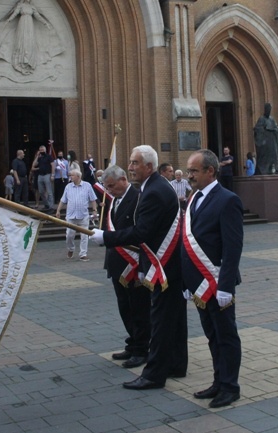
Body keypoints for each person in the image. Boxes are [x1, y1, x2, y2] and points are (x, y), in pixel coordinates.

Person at [90, 145, 187, 390]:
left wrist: (106, 237)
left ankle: (154, 375)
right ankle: (176, 363)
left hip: (164, 266)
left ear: (149, 167)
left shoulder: (153, 191)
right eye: (131, 162)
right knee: (174, 320)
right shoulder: (155, 186)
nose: (131, 167)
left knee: (162, 320)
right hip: (169, 265)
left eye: (134, 163)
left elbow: (142, 232)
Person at [182, 149, 244, 408]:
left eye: (194, 171)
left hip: (218, 284)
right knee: (211, 335)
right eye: (188, 170)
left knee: (226, 336)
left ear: (210, 171)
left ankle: (230, 387)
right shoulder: (194, 198)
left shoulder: (227, 199)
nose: (189, 175)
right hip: (199, 285)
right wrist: (187, 284)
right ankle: (218, 381)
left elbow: (232, 247)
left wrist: (226, 286)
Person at [100, 165, 150, 368]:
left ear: (123, 179)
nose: (109, 190)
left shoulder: (138, 198)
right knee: (124, 307)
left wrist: (141, 267)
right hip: (117, 263)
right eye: (107, 187)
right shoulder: (113, 200)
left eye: (112, 186)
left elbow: (139, 232)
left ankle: (142, 349)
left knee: (139, 309)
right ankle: (133, 342)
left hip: (134, 263)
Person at [0, 0, 63, 75]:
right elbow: (14, 14)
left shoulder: (32, 7)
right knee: (21, 42)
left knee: (29, 42)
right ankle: (20, 63)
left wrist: (45, 23)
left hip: (30, 26)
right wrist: (8, 20)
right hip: (22, 25)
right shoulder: (20, 6)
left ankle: (29, 63)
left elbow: (38, 16)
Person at [56, 169, 98, 261]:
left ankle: (83, 254)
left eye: (72, 175)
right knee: (69, 235)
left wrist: (94, 210)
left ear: (78, 177)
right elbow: (63, 200)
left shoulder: (87, 186)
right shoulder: (68, 187)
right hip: (71, 215)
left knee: (84, 236)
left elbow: (93, 199)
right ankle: (71, 249)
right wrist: (58, 210)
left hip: (83, 215)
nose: (70, 177)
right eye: (70, 175)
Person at [253, 102, 278, 175]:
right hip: (264, 143)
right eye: (267, 109)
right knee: (264, 157)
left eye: (270, 109)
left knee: (274, 155)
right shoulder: (261, 119)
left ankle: (275, 169)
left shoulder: (272, 119)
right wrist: (265, 130)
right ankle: (264, 170)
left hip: (272, 143)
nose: (269, 111)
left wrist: (272, 129)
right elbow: (257, 129)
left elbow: (277, 128)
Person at [33, 145, 54, 211]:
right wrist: (37, 156)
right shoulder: (39, 158)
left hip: (47, 175)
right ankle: (46, 204)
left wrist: (52, 175)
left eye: (42, 149)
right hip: (40, 175)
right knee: (41, 191)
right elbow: (34, 165)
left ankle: (50, 206)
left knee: (49, 191)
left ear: (45, 150)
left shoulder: (49, 157)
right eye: (40, 150)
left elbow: (53, 165)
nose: (41, 151)